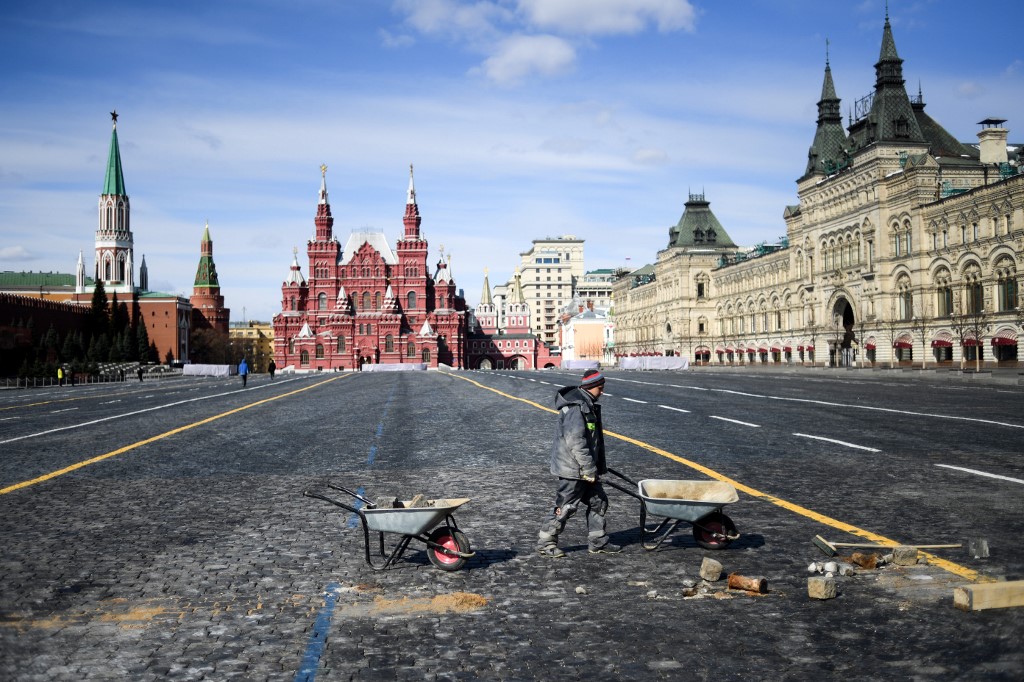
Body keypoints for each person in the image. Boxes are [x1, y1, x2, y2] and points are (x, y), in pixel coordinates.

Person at [537, 369, 622, 558]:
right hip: (573, 469)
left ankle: (598, 541)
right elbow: (575, 441)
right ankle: (545, 543)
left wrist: (596, 466)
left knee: (598, 502)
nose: (602, 392)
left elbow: (592, 441)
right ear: (591, 387)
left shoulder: (587, 404)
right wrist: (588, 468)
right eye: (600, 388)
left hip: (585, 468)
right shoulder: (576, 407)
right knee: (566, 506)